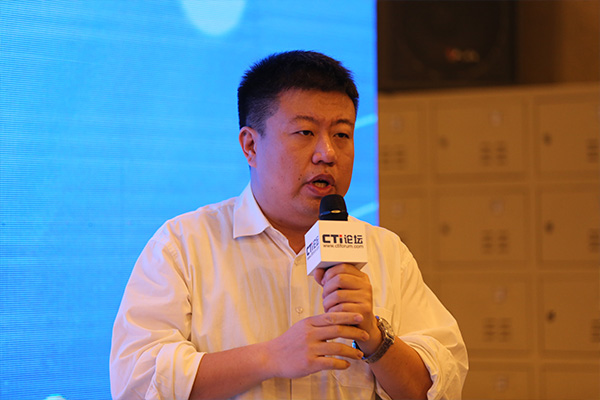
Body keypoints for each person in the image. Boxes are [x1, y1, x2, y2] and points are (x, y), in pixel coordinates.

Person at [110, 50, 468, 400]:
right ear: (250, 146)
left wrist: (375, 338)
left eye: (342, 135)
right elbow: (137, 381)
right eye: (305, 133)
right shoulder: (183, 245)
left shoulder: (386, 251)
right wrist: (271, 357)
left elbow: (442, 387)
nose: (327, 153)